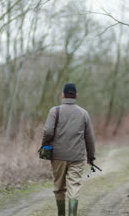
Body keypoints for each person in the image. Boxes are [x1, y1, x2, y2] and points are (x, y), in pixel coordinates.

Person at [41, 83, 96, 216]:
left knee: (59, 187)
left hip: (58, 155)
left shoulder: (55, 111)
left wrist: (44, 144)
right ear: (76, 95)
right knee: (74, 185)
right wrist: (91, 156)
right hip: (77, 157)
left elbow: (48, 131)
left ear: (63, 95)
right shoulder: (84, 113)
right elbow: (90, 138)